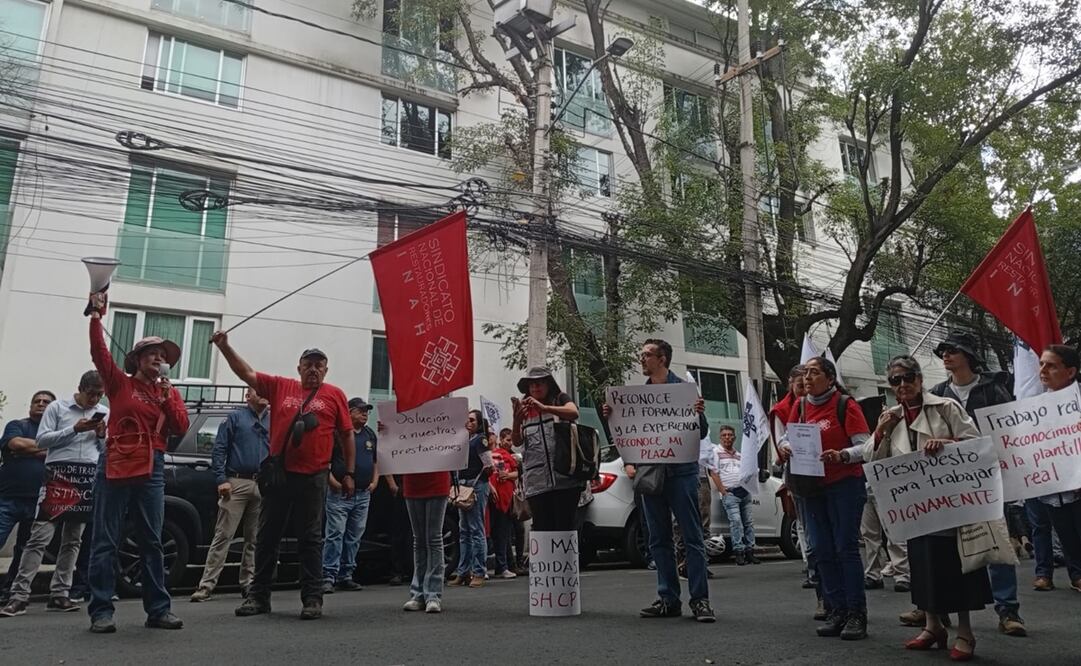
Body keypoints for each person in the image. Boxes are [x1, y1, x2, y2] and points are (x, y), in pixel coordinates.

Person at [211, 332, 354, 621]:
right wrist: (225, 347)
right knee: (267, 536)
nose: (313, 369)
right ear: (298, 368)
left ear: (326, 370)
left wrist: (348, 472)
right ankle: (258, 597)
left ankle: (312, 598)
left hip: (314, 476)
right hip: (280, 475)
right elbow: (246, 372)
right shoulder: (280, 387)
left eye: (319, 365)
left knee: (311, 538)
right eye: (308, 364)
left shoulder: (335, 394)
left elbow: (347, 434)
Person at [871, 355, 990, 661]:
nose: (902, 385)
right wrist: (881, 432)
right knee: (921, 564)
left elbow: (976, 443)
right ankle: (932, 626)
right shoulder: (891, 416)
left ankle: (966, 632)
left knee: (954, 564)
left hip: (948, 502)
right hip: (914, 505)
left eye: (908, 377)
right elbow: (877, 463)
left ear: (920, 380)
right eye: (895, 380)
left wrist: (945, 442)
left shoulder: (945, 406)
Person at [86, 304, 189, 634]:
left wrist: (168, 395)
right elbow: (99, 352)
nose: (158, 359)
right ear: (137, 360)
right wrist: (97, 318)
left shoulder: (165, 392)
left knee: (152, 540)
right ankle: (101, 610)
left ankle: (158, 610)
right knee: (105, 539)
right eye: (151, 354)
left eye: (162, 355)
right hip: (116, 463)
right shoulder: (120, 384)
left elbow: (180, 426)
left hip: (152, 467)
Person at [604, 339, 715, 623]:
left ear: (662, 358)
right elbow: (626, 436)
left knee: (692, 537)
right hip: (651, 473)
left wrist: (699, 413)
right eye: (641, 354)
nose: (641, 359)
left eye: (646, 355)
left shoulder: (684, 391)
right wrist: (612, 417)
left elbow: (701, 433)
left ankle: (700, 600)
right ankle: (668, 598)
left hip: (681, 473)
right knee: (658, 539)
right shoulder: (638, 398)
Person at [929, 331, 1026, 637]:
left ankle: (1008, 609)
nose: (946, 355)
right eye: (943, 351)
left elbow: (1009, 430)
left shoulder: (994, 389)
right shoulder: (936, 393)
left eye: (952, 350)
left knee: (996, 540)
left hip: (989, 478)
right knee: (946, 548)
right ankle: (937, 608)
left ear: (968, 355)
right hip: (949, 481)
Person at [778, 356, 870, 640]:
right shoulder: (801, 405)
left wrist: (841, 456)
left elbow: (865, 446)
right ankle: (836, 610)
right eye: (805, 374)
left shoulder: (846, 405)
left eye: (814, 373)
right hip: (811, 487)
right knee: (820, 549)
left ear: (830, 379)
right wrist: (785, 447)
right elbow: (785, 437)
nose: (807, 378)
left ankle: (856, 613)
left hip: (844, 485)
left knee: (845, 548)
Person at [1, 373, 104, 618]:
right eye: (91, 394)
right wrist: (74, 430)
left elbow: (104, 450)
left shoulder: (103, 411)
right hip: (59, 473)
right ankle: (19, 595)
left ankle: (60, 593)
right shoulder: (57, 408)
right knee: (39, 537)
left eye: (100, 395)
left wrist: (101, 435)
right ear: (80, 389)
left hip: (86, 476)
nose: (95, 399)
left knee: (73, 540)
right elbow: (43, 440)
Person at [190, 388, 269, 602]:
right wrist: (221, 479)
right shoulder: (235, 417)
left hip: (262, 483)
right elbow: (219, 449)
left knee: (254, 539)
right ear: (248, 396)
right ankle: (206, 585)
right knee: (223, 535)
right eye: (258, 390)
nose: (264, 394)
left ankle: (249, 584)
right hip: (236, 481)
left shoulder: (274, 419)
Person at [0, 391, 56, 606]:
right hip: (8, 497)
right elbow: (16, 445)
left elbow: (29, 448)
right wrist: (48, 448)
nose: (40, 404)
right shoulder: (17, 425)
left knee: (25, 549)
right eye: (37, 401)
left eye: (46, 402)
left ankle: (10, 592)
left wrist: (30, 450)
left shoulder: (54, 431)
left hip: (38, 501)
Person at [1033, 345, 1081, 592]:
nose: (1043, 370)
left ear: (1070, 371)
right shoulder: (1032, 408)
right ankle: (1077, 576)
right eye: (1042, 364)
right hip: (1052, 485)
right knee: (1065, 532)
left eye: (1051, 365)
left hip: (1077, 483)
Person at [511, 368, 583, 531]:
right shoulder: (523, 409)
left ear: (549, 384)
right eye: (531, 384)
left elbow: (573, 412)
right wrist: (516, 421)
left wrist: (544, 408)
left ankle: (566, 558)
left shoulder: (560, 398)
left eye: (540, 382)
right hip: (537, 484)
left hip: (565, 481)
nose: (535, 387)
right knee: (542, 530)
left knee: (565, 528)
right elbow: (516, 441)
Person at [322, 398, 379, 594]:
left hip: (363, 494)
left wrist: (374, 481)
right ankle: (328, 575)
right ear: (348, 412)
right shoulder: (337, 434)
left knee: (354, 536)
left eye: (366, 411)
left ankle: (346, 575)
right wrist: (333, 483)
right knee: (335, 534)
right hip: (339, 494)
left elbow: (375, 461)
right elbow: (324, 462)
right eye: (360, 410)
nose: (365, 414)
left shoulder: (370, 434)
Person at [771, 366, 816, 590]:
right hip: (797, 471)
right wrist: (786, 449)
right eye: (800, 386)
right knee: (802, 520)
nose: (804, 390)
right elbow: (781, 441)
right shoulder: (782, 409)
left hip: (823, 470)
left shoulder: (818, 404)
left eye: (808, 385)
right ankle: (811, 565)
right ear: (791, 384)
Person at [449, 410, 492, 588]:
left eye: (472, 420)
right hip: (464, 485)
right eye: (467, 419)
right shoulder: (465, 440)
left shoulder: (480, 440)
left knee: (475, 529)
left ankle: (479, 571)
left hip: (476, 485)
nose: (469, 422)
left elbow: (488, 465)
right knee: (464, 530)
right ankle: (463, 571)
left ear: (479, 423)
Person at [400, 469, 451, 613]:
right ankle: (418, 594)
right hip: (412, 482)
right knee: (419, 540)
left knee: (433, 538)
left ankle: (433, 595)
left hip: (437, 480)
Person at [715, 425, 757, 566]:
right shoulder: (716, 452)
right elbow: (714, 472)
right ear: (720, 437)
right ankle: (739, 552)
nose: (727, 437)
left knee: (749, 523)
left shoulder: (739, 455)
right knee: (736, 523)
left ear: (734, 437)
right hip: (730, 493)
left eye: (730, 435)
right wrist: (723, 491)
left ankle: (750, 551)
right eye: (724, 435)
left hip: (744, 492)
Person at [489, 427, 519, 579]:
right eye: (507, 440)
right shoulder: (485, 454)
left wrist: (506, 475)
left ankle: (502, 566)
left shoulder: (507, 456)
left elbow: (515, 473)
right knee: (488, 533)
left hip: (505, 499)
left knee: (502, 534)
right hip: (491, 499)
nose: (510, 443)